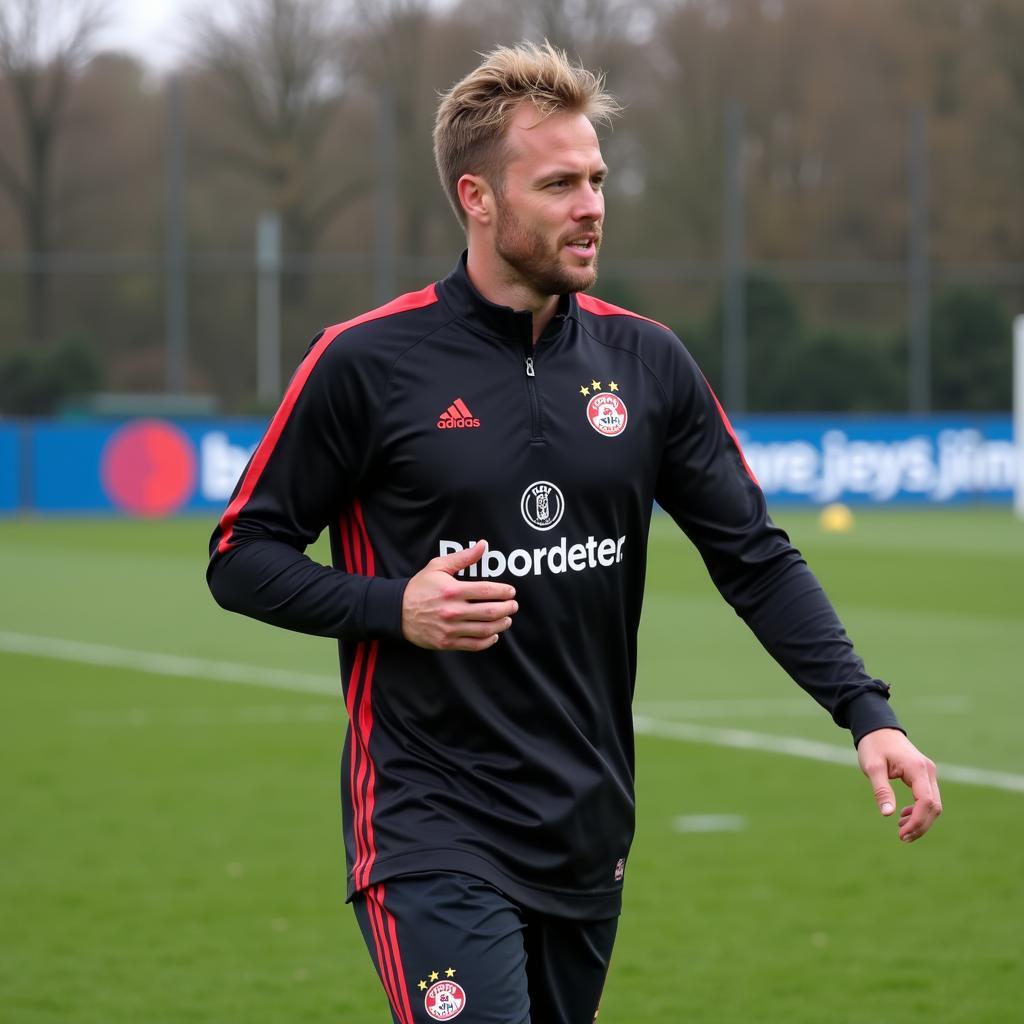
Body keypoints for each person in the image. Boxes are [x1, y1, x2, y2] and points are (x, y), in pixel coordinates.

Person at [207, 40, 941, 1024]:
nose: (591, 204)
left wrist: (867, 710)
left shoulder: (648, 362)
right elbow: (239, 557)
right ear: (476, 197)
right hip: (430, 821)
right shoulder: (363, 362)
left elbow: (753, 556)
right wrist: (394, 607)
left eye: (596, 179)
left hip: (586, 821)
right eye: (557, 183)